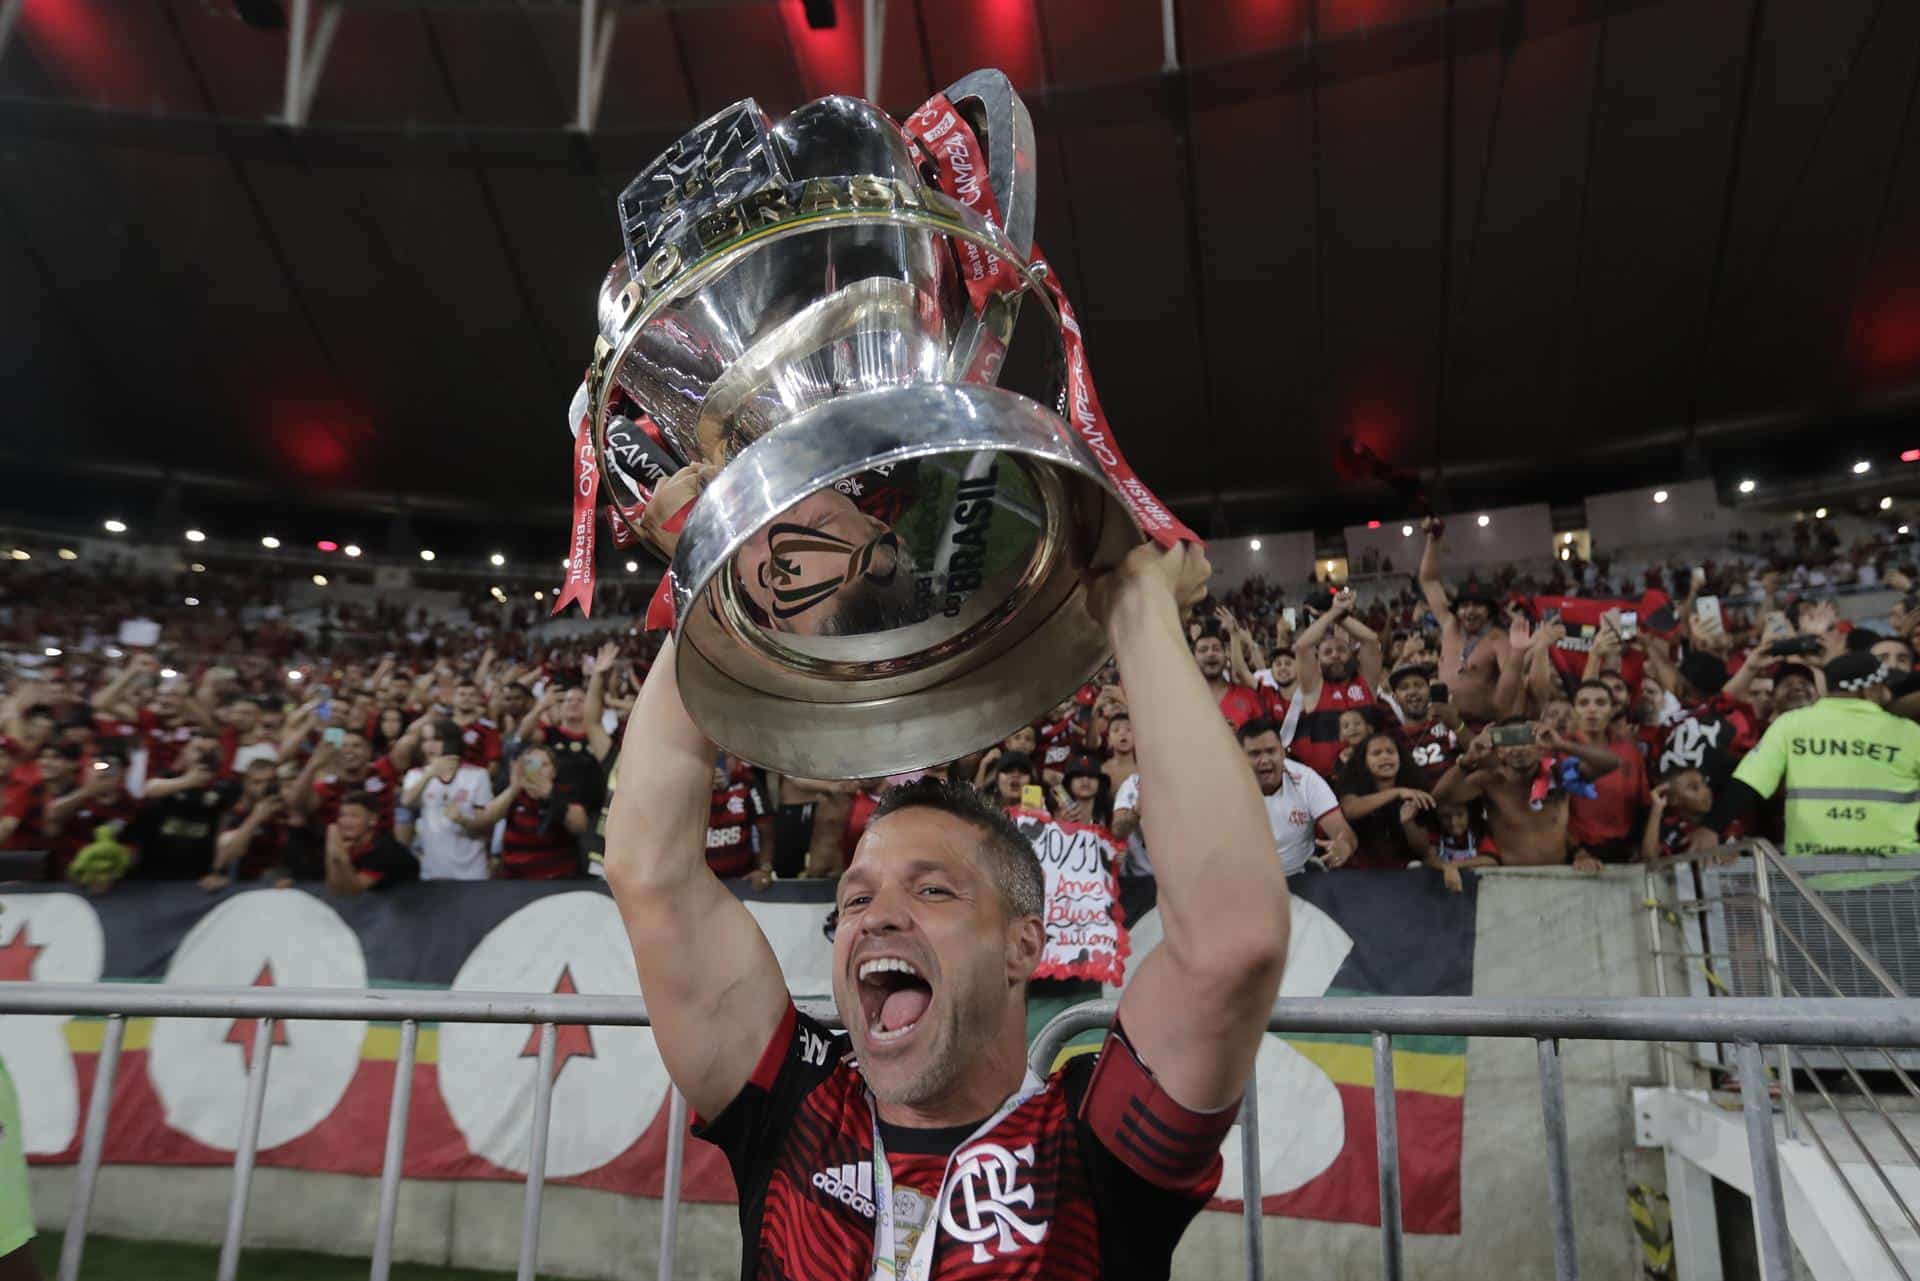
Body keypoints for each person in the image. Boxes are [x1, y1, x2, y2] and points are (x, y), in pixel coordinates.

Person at [603, 541, 1290, 1279]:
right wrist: (721, 568)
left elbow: (1232, 944)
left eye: (932, 889)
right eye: (857, 894)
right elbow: (649, 868)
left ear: (1023, 945)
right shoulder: (797, 1103)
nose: (879, 916)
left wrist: (1134, 601)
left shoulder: (1089, 1142)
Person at [1727, 652, 1920, 870]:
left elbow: (1747, 782)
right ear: (1867, 689)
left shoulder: (1789, 725)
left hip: (1815, 878)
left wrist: (1711, 828)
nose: (1887, 693)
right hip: (1898, 877)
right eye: (1882, 685)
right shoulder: (1909, 733)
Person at [1433, 718, 1621, 868]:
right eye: (1509, 741)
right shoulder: (1489, 782)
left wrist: (1562, 744)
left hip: (1561, 878)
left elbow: (1611, 763)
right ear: (1498, 752)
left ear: (1541, 749)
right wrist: (1468, 759)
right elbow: (1439, 798)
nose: (1518, 748)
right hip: (1509, 882)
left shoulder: (1559, 774)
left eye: (1526, 740)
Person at [1238, 716, 1358, 875]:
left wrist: (1343, 846)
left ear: (1282, 752)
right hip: (1244, 879)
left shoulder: (1307, 780)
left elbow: (1342, 831)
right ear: (1239, 756)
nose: (1265, 760)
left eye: (1271, 751)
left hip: (1300, 878)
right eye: (1255, 754)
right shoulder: (1223, 785)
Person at [1417, 518, 1510, 724]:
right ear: (1457, 610)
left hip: (1481, 727)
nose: (1470, 611)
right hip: (1443, 725)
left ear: (1489, 611)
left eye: (1477, 606)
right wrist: (1433, 539)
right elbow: (1429, 580)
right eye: (1464, 606)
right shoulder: (1450, 626)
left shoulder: (1498, 640)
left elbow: (1512, 687)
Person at [1287, 587, 1383, 778]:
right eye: (1328, 653)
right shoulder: (1314, 687)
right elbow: (1303, 646)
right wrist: (1333, 612)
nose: (1336, 656)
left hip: (1371, 778)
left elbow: (1371, 639)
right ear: (1318, 661)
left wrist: (1338, 614)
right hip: (1328, 783)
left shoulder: (1366, 682)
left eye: (1341, 650)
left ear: (1352, 655)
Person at [473, 746, 588, 880]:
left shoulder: (565, 791)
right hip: (516, 879)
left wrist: (551, 795)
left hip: (558, 878)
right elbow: (485, 821)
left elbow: (580, 826)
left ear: (554, 771)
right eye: (532, 764)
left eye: (544, 765)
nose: (538, 770)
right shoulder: (514, 794)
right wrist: (514, 788)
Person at [400, 720, 495, 881]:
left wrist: (463, 821)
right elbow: (406, 801)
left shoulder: (478, 775)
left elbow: (486, 830)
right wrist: (430, 774)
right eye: (425, 740)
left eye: (436, 739)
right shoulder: (415, 776)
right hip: (432, 872)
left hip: (473, 873)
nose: (429, 746)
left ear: (451, 741)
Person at [1566, 680, 1649, 864]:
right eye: (1583, 703)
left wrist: (1637, 847)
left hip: (1624, 854)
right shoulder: (1560, 751)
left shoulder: (1631, 752)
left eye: (1601, 703)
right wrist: (1577, 853)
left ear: (1612, 710)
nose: (1592, 709)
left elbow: (1642, 805)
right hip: (1576, 856)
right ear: (1573, 711)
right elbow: (1550, 813)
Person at [1334, 734, 1435, 869]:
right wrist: (1396, 792)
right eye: (1376, 753)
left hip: (1406, 872)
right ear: (1364, 760)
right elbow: (1350, 810)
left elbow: (1423, 850)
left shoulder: (1415, 789)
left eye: (1390, 752)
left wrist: (1408, 823)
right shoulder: (1352, 784)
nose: (1385, 757)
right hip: (1359, 873)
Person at [323, 792, 419, 895]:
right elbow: (335, 889)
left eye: (354, 816)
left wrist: (340, 858)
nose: (346, 822)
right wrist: (333, 855)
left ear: (372, 820)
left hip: (414, 901)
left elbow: (352, 891)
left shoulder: (384, 850)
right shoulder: (348, 845)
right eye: (342, 816)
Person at [1386, 664, 1460, 786]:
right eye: (1404, 688)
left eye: (1419, 685)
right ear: (1395, 698)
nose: (1413, 691)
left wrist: (1456, 724)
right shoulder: (1391, 738)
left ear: (1429, 691)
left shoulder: (1448, 724)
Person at [1192, 628, 1268, 729]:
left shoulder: (1249, 696)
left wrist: (1239, 736)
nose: (1210, 653)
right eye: (1203, 650)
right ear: (1193, 658)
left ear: (1226, 656)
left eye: (1216, 649)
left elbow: (1263, 739)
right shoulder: (1181, 699)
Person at [1643, 768, 1717, 861]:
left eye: (1705, 783)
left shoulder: (1718, 817)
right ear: (1673, 800)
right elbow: (1650, 857)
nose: (1706, 791)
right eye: (1694, 788)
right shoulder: (1669, 826)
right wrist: (1656, 810)